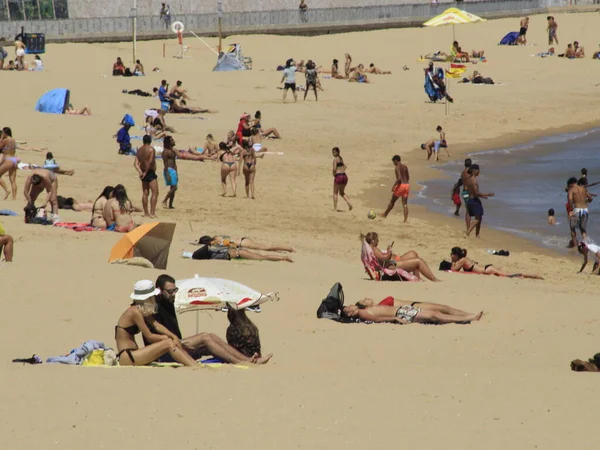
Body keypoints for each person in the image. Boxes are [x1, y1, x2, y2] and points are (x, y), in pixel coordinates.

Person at [145, 275, 272, 364]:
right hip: (164, 351)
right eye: (170, 291)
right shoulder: (153, 308)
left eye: (175, 290)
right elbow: (153, 335)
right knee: (205, 337)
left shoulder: (169, 302)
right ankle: (242, 362)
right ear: (160, 291)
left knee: (211, 336)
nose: (174, 294)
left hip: (177, 344)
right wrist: (175, 340)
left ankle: (247, 359)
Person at [115, 279, 197, 367]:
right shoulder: (134, 312)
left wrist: (174, 337)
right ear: (148, 297)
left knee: (172, 341)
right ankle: (193, 367)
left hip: (134, 354)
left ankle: (194, 365)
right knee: (169, 343)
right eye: (153, 296)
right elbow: (149, 336)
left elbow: (157, 325)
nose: (155, 298)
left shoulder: (141, 310)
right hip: (128, 356)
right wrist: (168, 338)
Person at [361, 231, 439, 281]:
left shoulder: (372, 249)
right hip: (391, 266)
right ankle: (434, 279)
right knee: (419, 261)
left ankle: (418, 277)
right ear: (373, 241)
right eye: (377, 240)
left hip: (391, 263)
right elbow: (385, 259)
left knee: (413, 253)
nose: (378, 241)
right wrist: (389, 251)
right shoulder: (374, 249)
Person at [342, 302, 480, 324]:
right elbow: (377, 319)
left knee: (435, 313)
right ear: (350, 314)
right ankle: (467, 318)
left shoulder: (362, 309)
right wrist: (395, 318)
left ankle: (466, 316)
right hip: (402, 313)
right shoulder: (362, 313)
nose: (349, 306)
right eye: (347, 309)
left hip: (402, 310)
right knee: (434, 316)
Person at [450, 247, 543, 279]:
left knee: (509, 275)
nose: (451, 256)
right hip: (487, 269)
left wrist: (452, 261)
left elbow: (453, 270)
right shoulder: (464, 259)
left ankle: (533, 275)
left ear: (455, 255)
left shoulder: (462, 260)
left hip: (487, 270)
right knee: (508, 274)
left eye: (452, 254)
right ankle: (530, 275)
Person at [464, 164, 494, 238]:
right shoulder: (473, 180)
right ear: (475, 171)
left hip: (471, 199)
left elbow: (471, 191)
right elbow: (476, 192)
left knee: (479, 218)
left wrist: (483, 196)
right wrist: (488, 194)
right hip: (474, 200)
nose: (479, 172)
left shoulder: (469, 179)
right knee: (477, 219)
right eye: (478, 170)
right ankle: (467, 233)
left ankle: (477, 235)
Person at [134, 135, 159, 218]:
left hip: (143, 172)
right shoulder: (151, 149)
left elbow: (136, 164)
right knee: (155, 192)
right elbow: (150, 162)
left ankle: (146, 213)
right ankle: (152, 213)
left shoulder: (139, 150)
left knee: (145, 193)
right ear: (150, 140)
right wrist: (146, 172)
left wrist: (140, 172)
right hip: (149, 172)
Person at [380, 155, 410, 222]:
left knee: (392, 201)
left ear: (396, 160)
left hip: (401, 185)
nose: (393, 163)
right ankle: (405, 219)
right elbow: (408, 178)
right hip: (407, 185)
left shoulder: (397, 167)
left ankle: (385, 214)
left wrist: (394, 186)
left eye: (393, 162)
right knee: (405, 204)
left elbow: (399, 178)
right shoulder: (405, 167)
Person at [184, 244, 293, 263]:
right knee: (262, 255)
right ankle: (283, 257)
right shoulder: (213, 250)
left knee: (262, 257)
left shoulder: (211, 256)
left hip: (238, 254)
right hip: (237, 251)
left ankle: (283, 258)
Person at [196, 235, 294, 253]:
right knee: (266, 247)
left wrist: (234, 247)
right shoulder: (217, 237)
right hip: (243, 240)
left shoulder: (217, 241)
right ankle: (287, 248)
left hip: (243, 244)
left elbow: (228, 243)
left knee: (266, 248)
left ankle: (288, 248)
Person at [567, 176, 592, 244]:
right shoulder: (583, 189)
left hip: (577, 210)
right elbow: (590, 198)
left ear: (570, 184)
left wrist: (571, 211)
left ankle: (575, 244)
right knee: (582, 229)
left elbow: (570, 201)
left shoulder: (571, 190)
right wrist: (586, 201)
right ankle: (585, 243)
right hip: (585, 210)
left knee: (572, 228)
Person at [331, 147, 352, 212]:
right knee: (342, 192)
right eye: (333, 152)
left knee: (335, 192)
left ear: (338, 152)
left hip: (338, 176)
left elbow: (334, 168)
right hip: (344, 176)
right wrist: (341, 170)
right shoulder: (341, 158)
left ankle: (335, 208)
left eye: (334, 152)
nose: (333, 153)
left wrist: (334, 174)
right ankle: (349, 203)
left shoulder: (335, 159)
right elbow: (345, 166)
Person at [0, 127, 18, 200]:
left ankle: (7, 190)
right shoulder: (13, 140)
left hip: (8, 159)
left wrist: (0, 139)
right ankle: (14, 198)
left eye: (3, 133)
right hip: (14, 159)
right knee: (13, 180)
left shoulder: (5, 140)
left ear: (5, 133)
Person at [161, 136, 178, 209]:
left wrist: (176, 172)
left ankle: (170, 204)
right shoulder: (165, 152)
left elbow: (174, 162)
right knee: (174, 187)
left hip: (173, 170)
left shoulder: (173, 151)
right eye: (172, 140)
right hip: (169, 170)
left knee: (173, 188)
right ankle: (164, 200)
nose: (173, 141)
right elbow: (165, 163)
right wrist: (167, 173)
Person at [461, 158, 473, 231]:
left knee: (468, 211)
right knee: (470, 211)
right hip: (469, 192)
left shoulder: (462, 173)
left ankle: (468, 227)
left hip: (464, 192)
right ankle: (469, 228)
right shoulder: (470, 172)